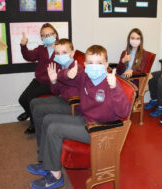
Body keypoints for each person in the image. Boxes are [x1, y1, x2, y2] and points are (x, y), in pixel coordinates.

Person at [26, 45, 131, 189]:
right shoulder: (84, 76)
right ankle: (47, 164)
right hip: (85, 120)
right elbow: (63, 77)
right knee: (48, 120)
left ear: (106, 65)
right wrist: (67, 74)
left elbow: (124, 112)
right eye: (90, 63)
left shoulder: (111, 82)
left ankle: (56, 177)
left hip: (99, 131)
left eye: (99, 63)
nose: (94, 67)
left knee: (54, 128)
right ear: (85, 64)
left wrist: (115, 89)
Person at [30, 38, 83, 147]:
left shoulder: (76, 68)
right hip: (62, 99)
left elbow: (70, 76)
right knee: (34, 102)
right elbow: (56, 91)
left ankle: (43, 147)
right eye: (57, 53)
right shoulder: (60, 66)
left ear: (72, 53)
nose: (60, 56)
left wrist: (64, 75)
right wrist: (53, 81)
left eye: (64, 52)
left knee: (40, 110)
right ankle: (42, 143)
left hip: (73, 105)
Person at [18, 23, 59, 134]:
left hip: (51, 83)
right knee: (22, 99)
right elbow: (29, 56)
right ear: (41, 38)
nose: (48, 37)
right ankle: (29, 111)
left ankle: (34, 124)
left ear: (55, 34)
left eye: (50, 34)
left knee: (30, 98)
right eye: (44, 35)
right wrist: (23, 46)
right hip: (38, 80)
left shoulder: (61, 49)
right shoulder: (41, 49)